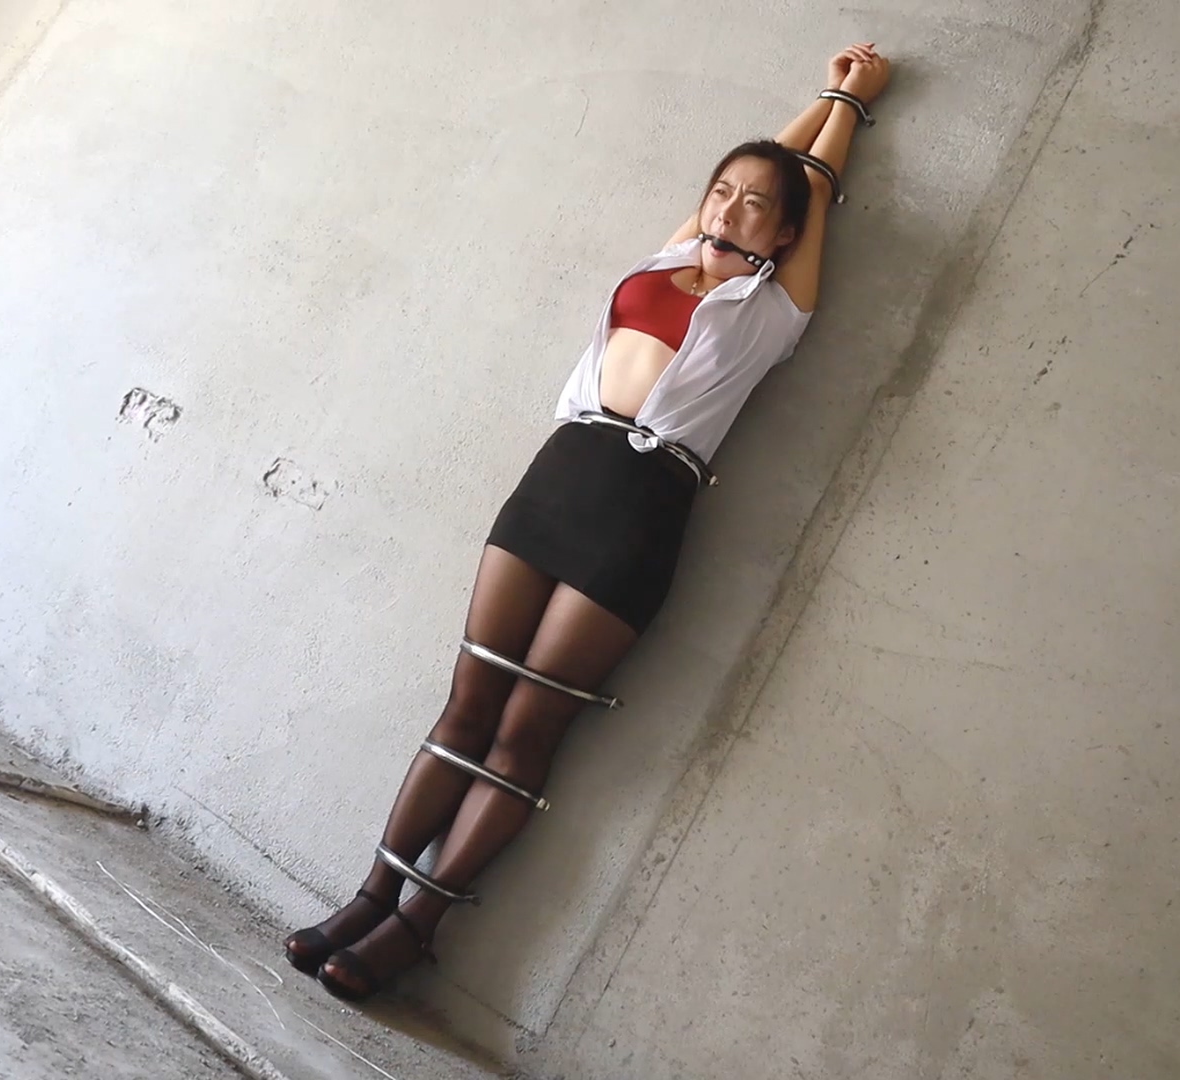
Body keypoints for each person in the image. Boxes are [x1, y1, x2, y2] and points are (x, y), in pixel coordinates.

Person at [285, 43, 894, 1003]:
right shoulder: (665, 260)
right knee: (466, 704)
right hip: (560, 473)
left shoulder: (775, 310)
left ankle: (418, 926)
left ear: (786, 232)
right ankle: (368, 896)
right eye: (721, 193)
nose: (731, 209)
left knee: (527, 728)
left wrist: (847, 101)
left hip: (642, 505)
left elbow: (806, 186)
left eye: (756, 206)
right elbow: (748, 178)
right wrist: (797, 116)